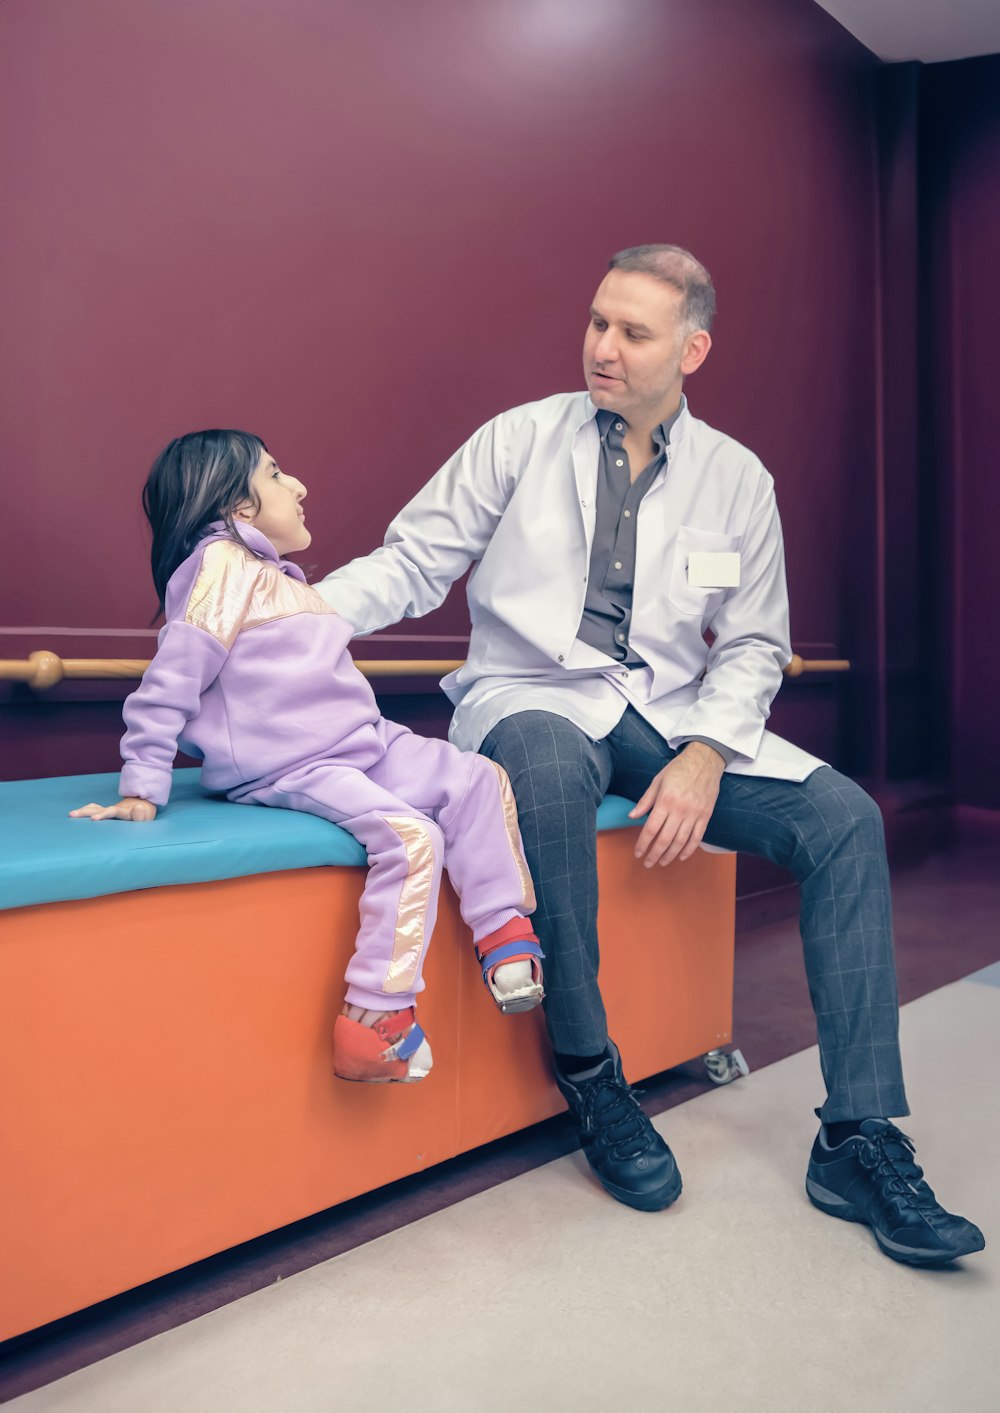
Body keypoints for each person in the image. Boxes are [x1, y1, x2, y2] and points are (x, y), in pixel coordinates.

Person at [317, 245, 985, 1265]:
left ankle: (857, 1137)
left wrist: (711, 749)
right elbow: (414, 562)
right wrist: (287, 623)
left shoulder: (735, 478)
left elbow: (757, 640)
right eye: (596, 323)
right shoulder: (517, 440)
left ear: (692, 348)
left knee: (843, 818)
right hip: (529, 695)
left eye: (632, 332)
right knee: (537, 769)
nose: (603, 348)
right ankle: (591, 1075)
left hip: (671, 716)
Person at [70, 430, 543, 1084]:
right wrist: (142, 784)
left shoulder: (281, 581)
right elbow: (171, 678)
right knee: (412, 838)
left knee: (476, 777)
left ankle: (503, 931)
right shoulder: (219, 568)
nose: (298, 486)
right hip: (295, 764)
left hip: (363, 744)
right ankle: (375, 1016)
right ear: (237, 507)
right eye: (275, 473)